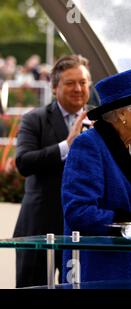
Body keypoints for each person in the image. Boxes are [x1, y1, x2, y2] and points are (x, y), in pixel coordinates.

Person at [61, 66, 131, 282]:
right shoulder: (88, 145)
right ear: (122, 112)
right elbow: (78, 212)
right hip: (102, 273)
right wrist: (130, 224)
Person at [13, 54, 91, 287]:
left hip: (82, 230)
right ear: (55, 87)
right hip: (38, 229)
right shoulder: (33, 119)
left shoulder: (102, 120)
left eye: (83, 82)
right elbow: (23, 163)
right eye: (70, 83)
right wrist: (67, 145)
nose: (78, 88)